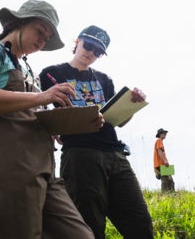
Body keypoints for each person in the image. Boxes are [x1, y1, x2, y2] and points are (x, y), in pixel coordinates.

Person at [0, 0, 96, 239]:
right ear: (19, 23)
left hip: (42, 170)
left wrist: (60, 125)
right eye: (39, 31)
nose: (42, 41)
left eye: (47, 38)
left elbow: (24, 112)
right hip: (4, 170)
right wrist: (42, 96)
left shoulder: (26, 69)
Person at [38, 25, 153, 239]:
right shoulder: (51, 74)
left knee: (140, 223)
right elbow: (39, 110)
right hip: (81, 154)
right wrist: (53, 130)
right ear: (77, 41)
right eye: (89, 45)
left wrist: (132, 105)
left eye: (98, 51)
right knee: (88, 226)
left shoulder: (105, 80)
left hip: (115, 155)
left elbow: (117, 120)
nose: (91, 53)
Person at [153, 128, 175, 192]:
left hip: (161, 164)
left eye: (165, 133)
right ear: (160, 134)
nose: (165, 134)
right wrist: (165, 161)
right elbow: (160, 151)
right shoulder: (159, 140)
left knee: (169, 179)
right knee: (166, 179)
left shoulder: (160, 141)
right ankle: (165, 194)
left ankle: (170, 193)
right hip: (161, 164)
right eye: (164, 133)